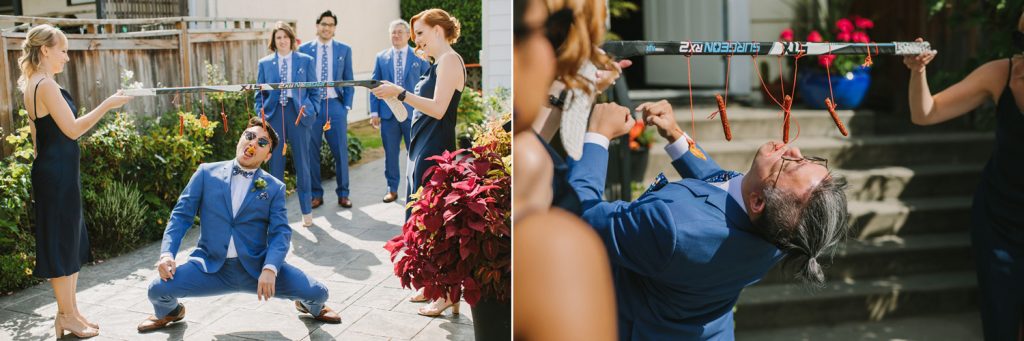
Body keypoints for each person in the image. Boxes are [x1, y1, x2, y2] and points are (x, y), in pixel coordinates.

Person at [571, 100, 850, 340]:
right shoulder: (783, 235)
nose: (793, 151)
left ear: (758, 202)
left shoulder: (674, 225)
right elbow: (722, 187)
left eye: (789, 165)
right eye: (808, 158)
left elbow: (583, 217)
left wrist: (598, 135)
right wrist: (675, 135)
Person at [137, 118, 341, 332]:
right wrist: (167, 254)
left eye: (262, 143)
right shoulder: (206, 173)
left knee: (319, 292)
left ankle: (307, 304)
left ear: (268, 155)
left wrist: (270, 268)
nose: (253, 143)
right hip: (210, 268)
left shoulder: (274, 187)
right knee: (156, 290)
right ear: (240, 139)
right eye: (249, 136)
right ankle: (171, 312)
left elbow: (280, 233)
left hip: (257, 269)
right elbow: (181, 216)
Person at [904, 16, 1024, 339]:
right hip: (999, 221)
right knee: (1000, 326)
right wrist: (919, 72)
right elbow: (925, 113)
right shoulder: (1001, 74)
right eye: (1021, 43)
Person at [19, 24, 133, 339]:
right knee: (60, 242)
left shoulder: (38, 83)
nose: (67, 58)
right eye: (63, 50)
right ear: (45, 50)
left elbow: (37, 140)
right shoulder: (44, 85)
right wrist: (108, 104)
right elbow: (72, 129)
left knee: (68, 240)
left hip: (58, 174)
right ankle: (66, 315)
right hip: (55, 177)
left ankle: (70, 313)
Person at [512, 0, 617, 339]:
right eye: (554, 31)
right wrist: (597, 137)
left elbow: (532, 139)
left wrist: (577, 93)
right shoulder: (556, 248)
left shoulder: (519, 151)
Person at [370, 8, 466, 317]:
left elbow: (438, 109)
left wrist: (401, 93)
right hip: (420, 147)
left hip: (436, 148)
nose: (417, 41)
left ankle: (449, 293)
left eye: (421, 33)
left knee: (436, 221)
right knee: (420, 218)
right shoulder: (437, 63)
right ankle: (432, 285)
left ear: (439, 30)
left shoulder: (451, 60)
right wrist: (396, 99)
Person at [255, 22, 320, 227]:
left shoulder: (306, 60)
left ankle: (306, 213)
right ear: (273, 42)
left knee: (303, 163)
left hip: (298, 114)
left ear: (292, 39)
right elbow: (259, 94)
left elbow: (315, 91)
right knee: (275, 165)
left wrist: (313, 109)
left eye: (285, 37)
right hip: (274, 115)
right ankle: (277, 215)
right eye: (278, 38)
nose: (282, 41)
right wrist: (261, 112)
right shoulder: (264, 63)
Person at [370, 19, 430, 204]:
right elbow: (374, 85)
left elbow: (428, 82)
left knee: (415, 152)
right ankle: (392, 189)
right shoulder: (381, 57)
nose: (395, 35)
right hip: (388, 114)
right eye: (393, 32)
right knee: (390, 152)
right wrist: (374, 113)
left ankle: (417, 189)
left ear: (407, 35)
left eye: (399, 32)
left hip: (413, 113)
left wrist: (426, 108)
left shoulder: (419, 56)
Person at [300, 10, 355, 209]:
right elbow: (301, 80)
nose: (327, 28)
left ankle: (343, 193)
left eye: (331, 25)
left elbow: (349, 78)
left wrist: (346, 105)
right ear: (317, 26)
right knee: (311, 151)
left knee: (340, 151)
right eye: (324, 24)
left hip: (335, 105)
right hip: (313, 107)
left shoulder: (344, 50)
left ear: (334, 28)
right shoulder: (304, 50)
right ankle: (316, 194)